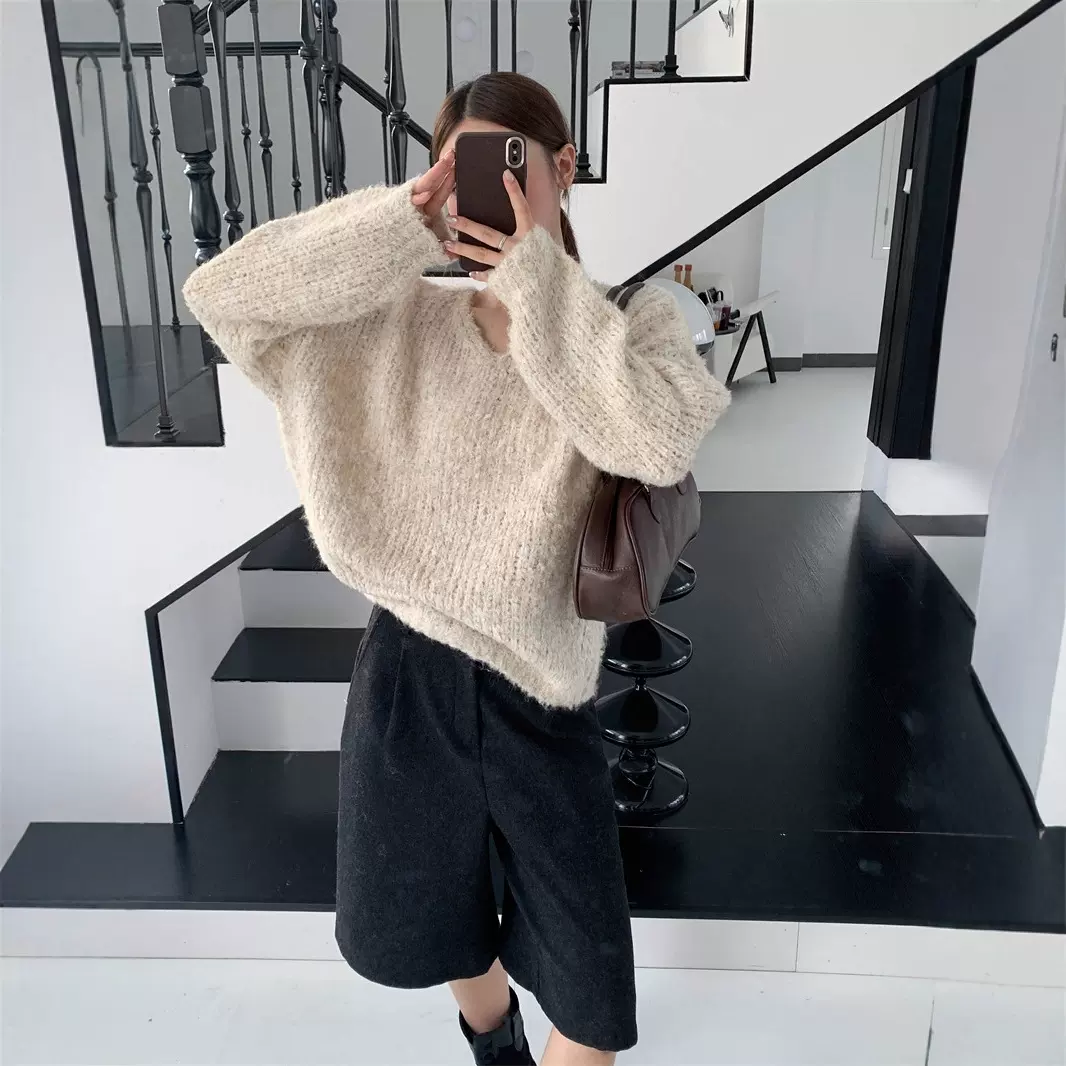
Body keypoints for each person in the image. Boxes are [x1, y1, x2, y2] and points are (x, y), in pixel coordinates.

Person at [184, 72, 728, 1066]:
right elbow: (222, 297)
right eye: (461, 168)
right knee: (435, 925)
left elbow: (656, 438)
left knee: (594, 998)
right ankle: (494, 1044)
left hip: (543, 693)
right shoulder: (393, 325)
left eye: (510, 165)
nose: (491, 188)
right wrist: (399, 224)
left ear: (563, 167)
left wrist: (536, 287)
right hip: (408, 676)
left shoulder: (632, 322)